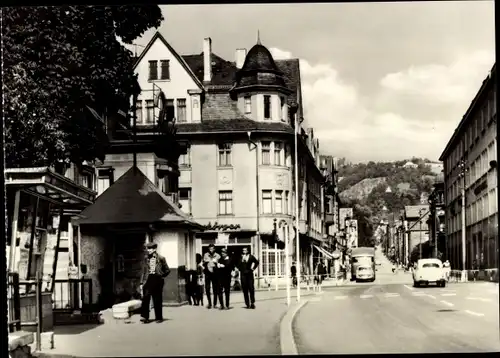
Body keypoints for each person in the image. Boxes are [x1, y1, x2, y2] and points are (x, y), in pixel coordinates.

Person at [139, 242, 170, 323]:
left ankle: (159, 317)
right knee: (146, 298)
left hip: (157, 279)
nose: (148, 250)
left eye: (150, 248)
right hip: (148, 280)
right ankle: (145, 317)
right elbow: (143, 271)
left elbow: (167, 270)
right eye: (148, 248)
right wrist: (141, 283)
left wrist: (161, 276)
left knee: (157, 299)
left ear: (155, 249)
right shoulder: (146, 258)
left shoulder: (161, 258)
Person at [203, 244, 221, 309]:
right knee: (207, 289)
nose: (211, 250)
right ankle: (209, 303)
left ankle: (215, 303)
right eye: (210, 248)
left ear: (214, 249)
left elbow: (220, 264)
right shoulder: (206, 255)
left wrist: (216, 263)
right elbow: (203, 263)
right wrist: (205, 262)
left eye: (212, 248)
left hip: (215, 272)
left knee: (215, 289)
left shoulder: (218, 255)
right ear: (208, 249)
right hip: (207, 273)